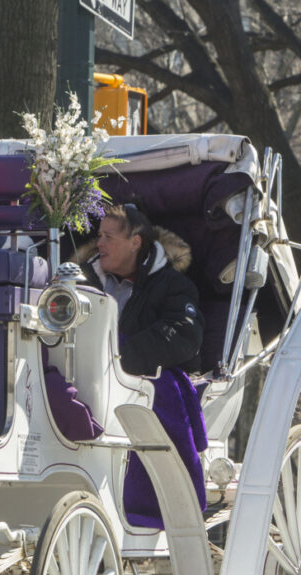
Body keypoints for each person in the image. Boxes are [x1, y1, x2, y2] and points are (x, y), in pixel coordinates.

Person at [75, 204, 208, 529]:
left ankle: (152, 502)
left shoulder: (173, 286)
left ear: (135, 242)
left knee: (165, 389)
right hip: (81, 379)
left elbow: (183, 335)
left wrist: (115, 354)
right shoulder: (81, 281)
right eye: (98, 236)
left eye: (108, 236)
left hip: (137, 383)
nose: (100, 243)